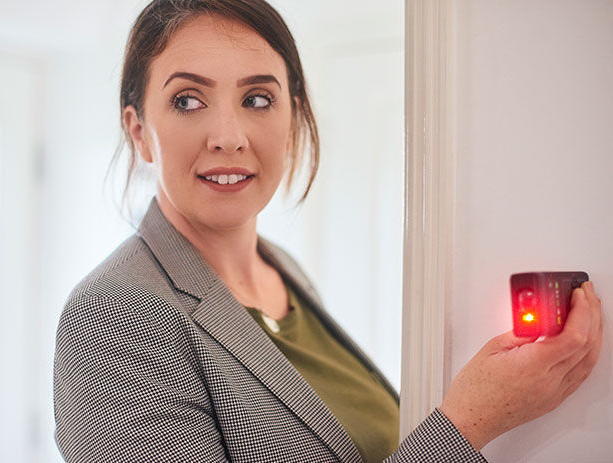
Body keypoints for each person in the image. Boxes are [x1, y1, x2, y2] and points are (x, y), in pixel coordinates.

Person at [52, 1, 604, 461]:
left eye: (258, 99)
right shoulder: (115, 316)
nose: (229, 135)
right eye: (188, 100)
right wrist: (468, 423)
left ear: (291, 123)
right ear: (139, 132)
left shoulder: (283, 273)